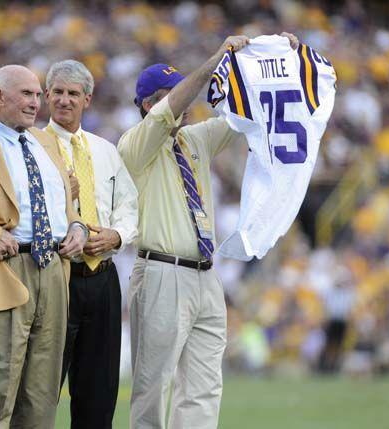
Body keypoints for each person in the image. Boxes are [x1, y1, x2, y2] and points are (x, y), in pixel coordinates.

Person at [117, 33, 299, 428]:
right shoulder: (135, 145)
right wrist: (215, 58)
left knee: (203, 386)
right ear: (148, 104)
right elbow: (173, 107)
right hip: (161, 271)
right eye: (170, 93)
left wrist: (282, 61)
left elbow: (243, 119)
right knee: (154, 384)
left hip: (204, 273)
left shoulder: (192, 139)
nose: (182, 99)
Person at [0, 64, 88, 428]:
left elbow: (65, 203)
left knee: (42, 395)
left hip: (55, 268)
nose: (36, 102)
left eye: (38, 95)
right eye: (27, 94)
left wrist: (77, 228)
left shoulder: (45, 141)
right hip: (1, 268)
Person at [44, 59, 138, 428]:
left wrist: (118, 235)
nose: (65, 100)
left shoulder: (105, 150)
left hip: (103, 277)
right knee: (43, 386)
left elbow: (129, 205)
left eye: (73, 93)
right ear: (47, 96)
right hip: (56, 275)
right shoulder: (33, 145)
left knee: (99, 390)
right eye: (58, 92)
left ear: (88, 99)